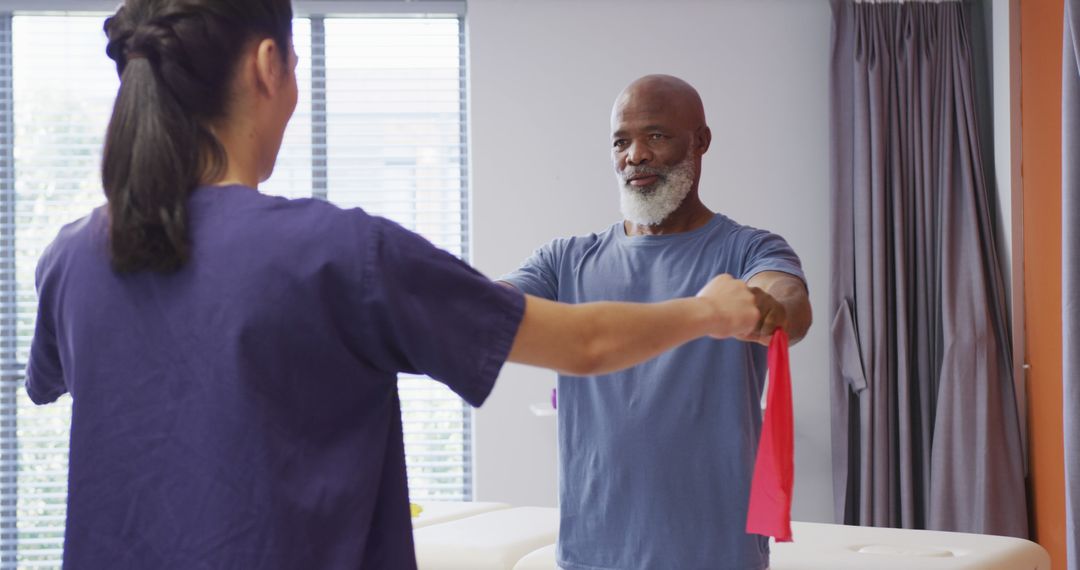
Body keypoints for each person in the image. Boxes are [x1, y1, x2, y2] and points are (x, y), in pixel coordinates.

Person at [23, 4, 771, 569]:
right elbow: (584, 342)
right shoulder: (339, 253)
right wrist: (709, 310)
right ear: (267, 67)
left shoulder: (71, 258)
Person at [499, 74, 813, 570]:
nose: (635, 155)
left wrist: (770, 305)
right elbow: (489, 308)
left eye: (656, 136)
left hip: (718, 555)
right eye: (621, 141)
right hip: (591, 556)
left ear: (701, 141)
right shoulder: (564, 261)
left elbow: (787, 297)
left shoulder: (748, 249)